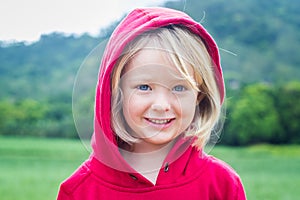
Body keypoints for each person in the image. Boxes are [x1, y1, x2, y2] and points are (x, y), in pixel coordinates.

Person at [57, 7, 247, 200]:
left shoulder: (221, 184)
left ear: (199, 96)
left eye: (179, 88)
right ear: (115, 93)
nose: (161, 105)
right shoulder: (79, 191)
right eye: (145, 87)